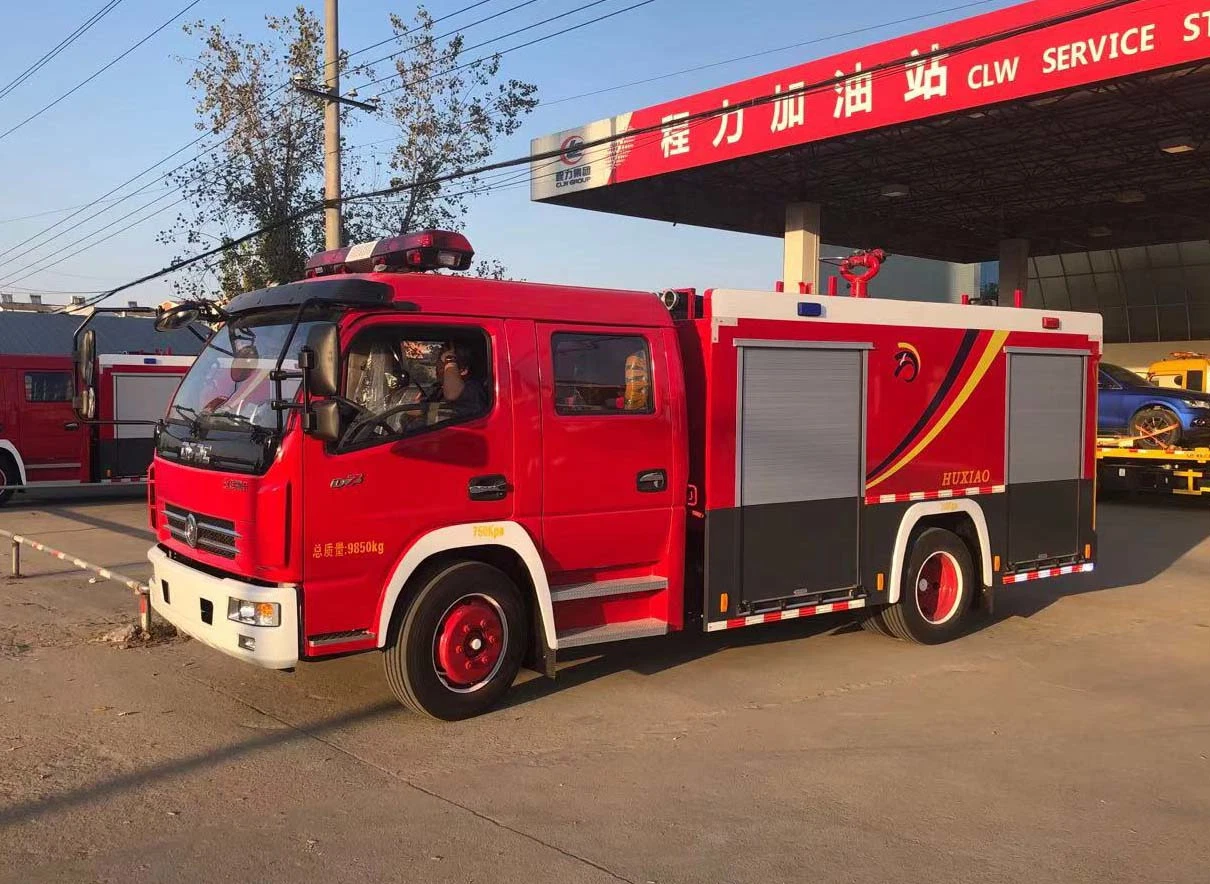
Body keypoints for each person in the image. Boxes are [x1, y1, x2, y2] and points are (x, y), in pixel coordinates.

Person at [434, 343, 488, 420]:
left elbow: (451, 394)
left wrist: (450, 359)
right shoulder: (438, 389)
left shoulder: (473, 390)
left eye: (445, 365)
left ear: (463, 370)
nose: (437, 368)